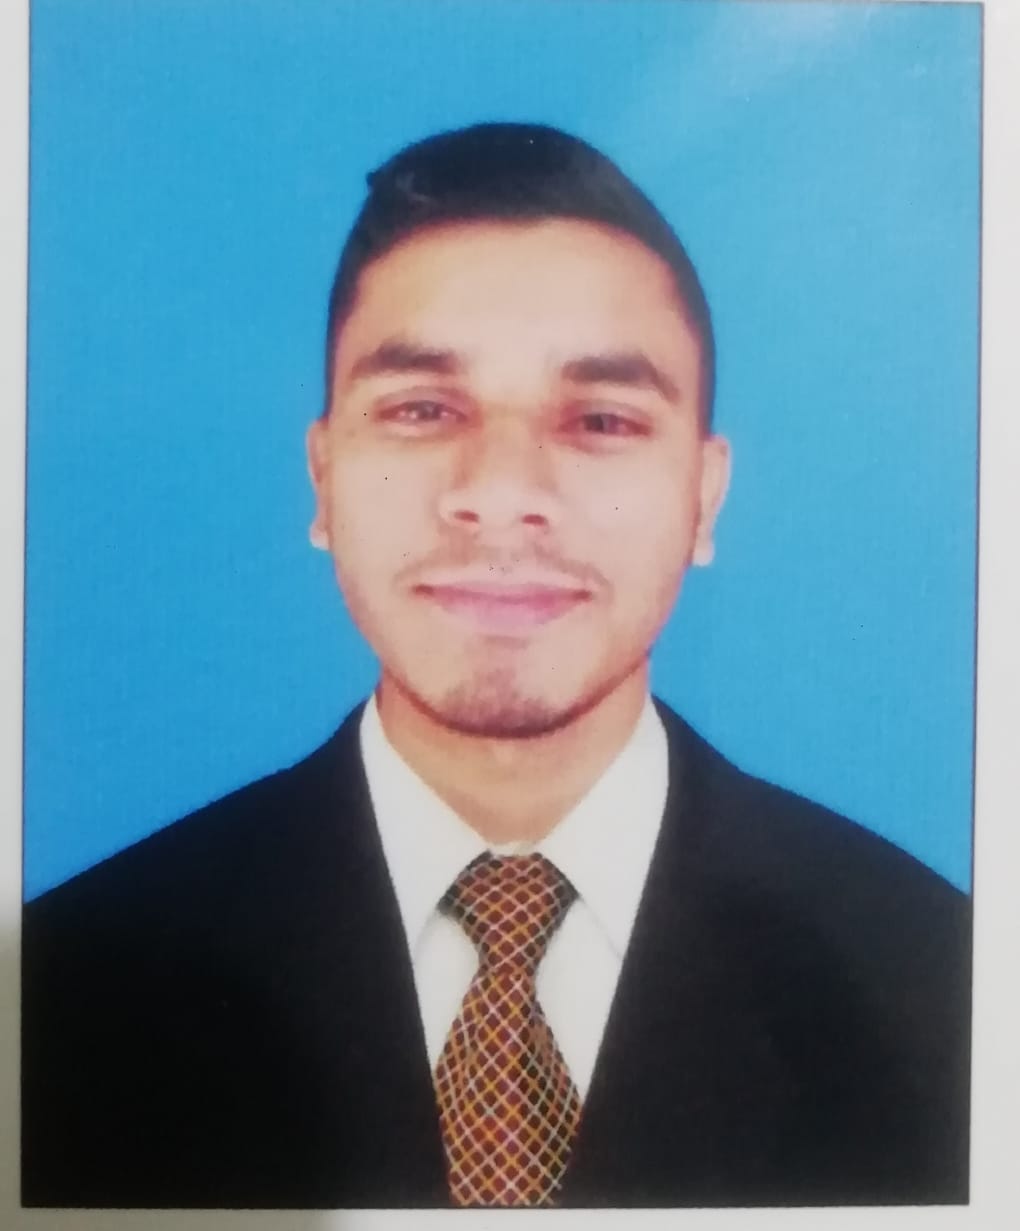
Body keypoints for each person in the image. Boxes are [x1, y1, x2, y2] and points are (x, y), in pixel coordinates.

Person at [21, 122, 971, 1210]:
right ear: (323, 481)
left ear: (704, 498)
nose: (503, 491)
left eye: (601, 418)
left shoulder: (941, 979)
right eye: (423, 410)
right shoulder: (65, 991)